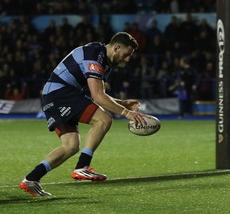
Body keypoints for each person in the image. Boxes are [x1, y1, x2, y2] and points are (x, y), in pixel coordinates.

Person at [19, 32, 149, 196]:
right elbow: (97, 97)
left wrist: (122, 103)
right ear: (116, 48)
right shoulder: (94, 54)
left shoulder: (104, 61)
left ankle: (31, 179)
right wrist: (127, 113)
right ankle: (83, 167)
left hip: (54, 96)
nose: (128, 59)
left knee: (71, 146)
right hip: (61, 95)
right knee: (104, 120)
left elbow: (99, 93)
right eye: (126, 54)